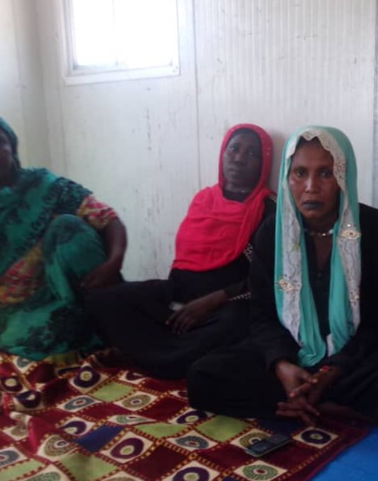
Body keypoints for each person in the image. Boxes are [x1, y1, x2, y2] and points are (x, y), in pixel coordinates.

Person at [187, 126, 378, 455]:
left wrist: (332, 371)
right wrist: (281, 365)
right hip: (294, 354)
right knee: (203, 375)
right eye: (300, 173)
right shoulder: (272, 232)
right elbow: (262, 316)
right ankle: (330, 407)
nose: (310, 188)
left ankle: (308, 403)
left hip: (356, 360)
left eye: (325, 173)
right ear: (286, 177)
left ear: (343, 176)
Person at [0, 110, 127, 359]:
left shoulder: (40, 186)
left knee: (69, 228)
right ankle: (96, 329)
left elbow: (107, 218)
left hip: (62, 291)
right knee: (47, 331)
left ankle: (107, 319)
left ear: (11, 147)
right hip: (10, 309)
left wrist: (114, 263)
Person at [86, 124, 275, 379]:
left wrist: (210, 301)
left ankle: (156, 356)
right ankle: (173, 356)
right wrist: (176, 301)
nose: (239, 158)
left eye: (252, 154)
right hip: (177, 296)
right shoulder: (203, 199)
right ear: (223, 153)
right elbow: (184, 261)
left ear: (264, 163)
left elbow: (268, 279)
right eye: (234, 149)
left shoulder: (268, 210)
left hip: (224, 306)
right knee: (104, 300)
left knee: (240, 323)